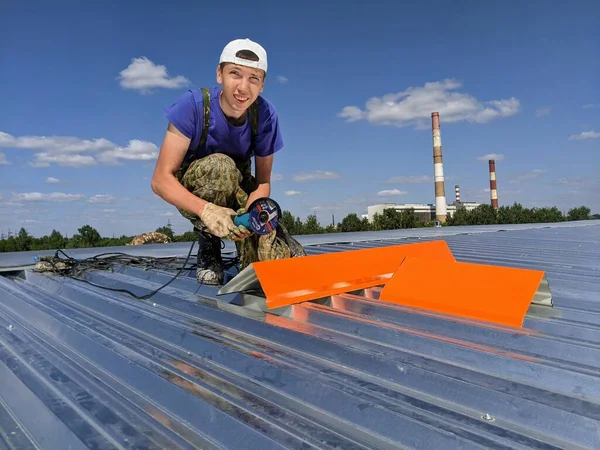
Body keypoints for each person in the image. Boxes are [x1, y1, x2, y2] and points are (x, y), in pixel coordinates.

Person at [151, 38, 305, 285]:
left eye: (254, 78)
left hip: (239, 186)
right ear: (219, 74)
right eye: (235, 73)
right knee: (220, 167)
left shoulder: (265, 116)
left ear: (262, 84)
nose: (243, 87)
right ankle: (209, 244)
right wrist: (207, 211)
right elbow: (160, 180)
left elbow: (262, 183)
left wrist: (251, 216)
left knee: (278, 266)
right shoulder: (192, 106)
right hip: (198, 191)